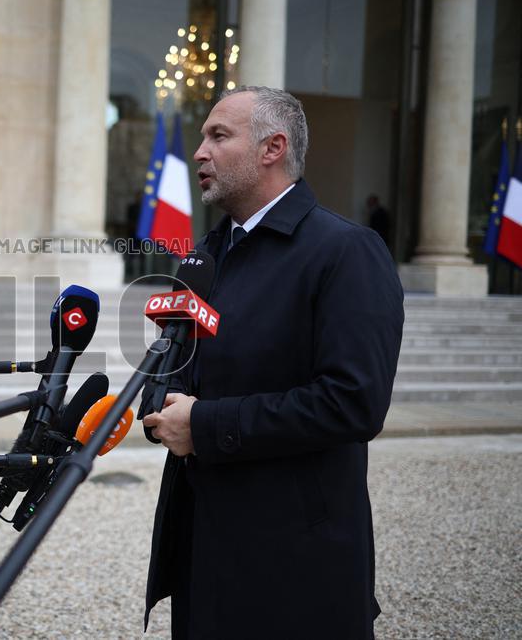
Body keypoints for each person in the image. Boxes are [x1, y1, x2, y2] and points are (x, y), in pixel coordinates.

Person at [141, 86, 404, 639]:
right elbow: (169, 368)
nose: (199, 152)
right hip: (204, 554)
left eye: (219, 135)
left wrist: (205, 425)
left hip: (295, 566)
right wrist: (160, 407)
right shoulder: (205, 255)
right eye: (203, 136)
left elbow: (353, 403)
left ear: (272, 148)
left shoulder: (345, 252)